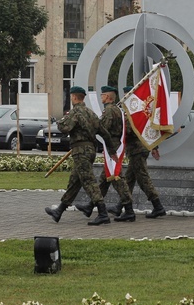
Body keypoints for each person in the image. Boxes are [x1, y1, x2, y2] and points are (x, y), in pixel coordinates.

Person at [45, 86, 118, 226]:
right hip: (90, 150)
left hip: (80, 151)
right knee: (75, 181)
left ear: (73, 97)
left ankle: (103, 214)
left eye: (71, 96)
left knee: (89, 181)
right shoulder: (91, 113)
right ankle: (59, 211)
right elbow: (104, 133)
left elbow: (64, 128)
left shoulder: (75, 112)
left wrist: (60, 121)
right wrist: (112, 151)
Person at [75, 86, 136, 222]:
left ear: (108, 97)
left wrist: (86, 132)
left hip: (112, 146)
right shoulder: (118, 110)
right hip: (113, 144)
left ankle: (129, 210)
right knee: (104, 179)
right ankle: (91, 206)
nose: (101, 97)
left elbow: (102, 128)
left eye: (102, 95)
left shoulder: (109, 111)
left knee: (117, 178)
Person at [108, 85, 166, 219]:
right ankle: (120, 206)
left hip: (137, 150)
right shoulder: (137, 110)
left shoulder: (134, 112)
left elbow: (128, 130)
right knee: (129, 179)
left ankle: (158, 206)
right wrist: (154, 147)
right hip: (138, 149)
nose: (125, 97)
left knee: (143, 178)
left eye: (127, 94)